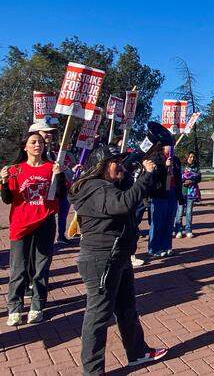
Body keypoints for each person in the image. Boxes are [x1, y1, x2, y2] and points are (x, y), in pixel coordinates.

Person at [68, 145, 168, 374]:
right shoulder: (94, 188)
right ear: (102, 165)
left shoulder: (107, 186)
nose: (121, 166)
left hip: (117, 255)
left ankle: (137, 352)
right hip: (102, 258)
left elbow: (129, 194)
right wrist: (144, 177)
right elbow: (122, 204)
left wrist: (144, 171)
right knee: (98, 315)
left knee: (126, 307)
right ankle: (93, 370)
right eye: (117, 162)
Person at [1, 132, 64, 326]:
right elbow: (8, 199)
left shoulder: (51, 168)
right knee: (18, 268)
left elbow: (60, 195)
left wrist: (59, 176)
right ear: (25, 147)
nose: (38, 145)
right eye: (33, 142)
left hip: (45, 222)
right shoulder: (15, 170)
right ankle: (15, 308)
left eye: (41, 142)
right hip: (21, 225)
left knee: (41, 267)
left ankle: (37, 306)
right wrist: (3, 182)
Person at [148, 146, 182, 257]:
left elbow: (178, 178)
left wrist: (179, 194)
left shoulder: (175, 159)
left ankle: (166, 246)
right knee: (158, 221)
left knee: (169, 220)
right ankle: (154, 248)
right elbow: (153, 176)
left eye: (172, 144)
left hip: (172, 192)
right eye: (168, 144)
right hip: (159, 192)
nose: (171, 147)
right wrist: (164, 166)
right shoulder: (156, 158)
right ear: (163, 146)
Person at [174, 151, 201, 238]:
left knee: (189, 212)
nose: (192, 158)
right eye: (190, 157)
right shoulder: (181, 167)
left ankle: (188, 230)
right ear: (187, 158)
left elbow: (199, 178)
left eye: (193, 157)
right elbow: (176, 177)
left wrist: (192, 181)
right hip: (181, 192)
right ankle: (178, 230)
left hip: (191, 193)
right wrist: (183, 181)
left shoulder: (196, 168)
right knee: (180, 212)